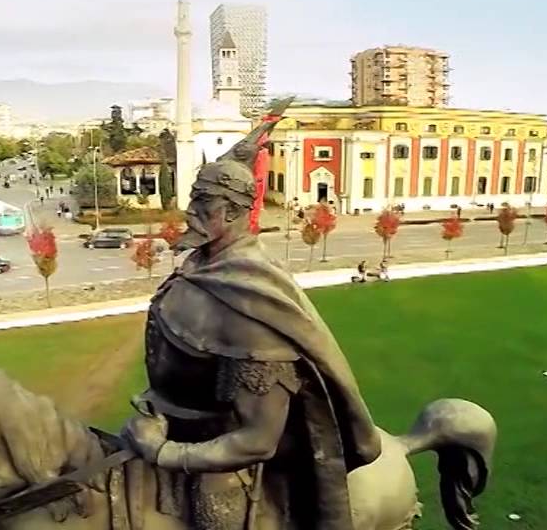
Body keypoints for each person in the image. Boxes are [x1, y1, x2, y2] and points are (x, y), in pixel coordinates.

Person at [123, 104, 380, 529]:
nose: (189, 211)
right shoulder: (201, 266)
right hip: (166, 422)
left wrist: (164, 453)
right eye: (193, 198)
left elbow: (257, 440)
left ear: (231, 212)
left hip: (223, 458)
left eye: (201, 202)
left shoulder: (251, 310)